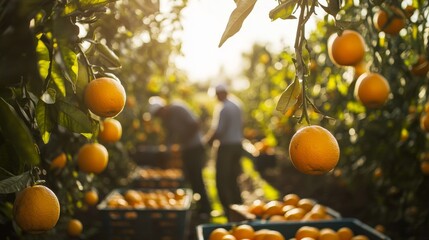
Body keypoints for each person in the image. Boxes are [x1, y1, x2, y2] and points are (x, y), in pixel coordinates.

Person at [148, 96, 212, 220]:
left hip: (195, 147)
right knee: (189, 178)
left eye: (159, 113)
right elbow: (170, 136)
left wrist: (182, 140)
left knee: (197, 178)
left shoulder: (178, 108)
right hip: (186, 149)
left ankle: (206, 209)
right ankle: (195, 206)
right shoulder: (166, 119)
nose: (160, 117)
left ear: (163, 108)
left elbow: (195, 124)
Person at [204, 84, 244, 220]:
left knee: (222, 179)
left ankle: (227, 209)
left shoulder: (224, 108)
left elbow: (218, 130)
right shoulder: (237, 104)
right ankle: (239, 208)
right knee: (234, 177)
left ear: (220, 93)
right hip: (237, 144)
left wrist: (206, 143)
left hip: (226, 146)